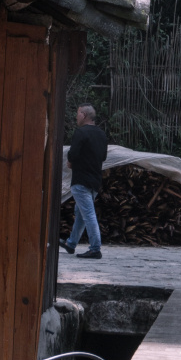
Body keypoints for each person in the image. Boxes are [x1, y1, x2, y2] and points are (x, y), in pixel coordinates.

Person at [62, 104, 108, 259]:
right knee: (81, 213)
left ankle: (95, 249)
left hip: (80, 180)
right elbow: (103, 157)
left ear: (84, 115)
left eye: (77, 113)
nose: (76, 117)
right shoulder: (102, 134)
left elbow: (73, 154)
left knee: (88, 214)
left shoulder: (80, 133)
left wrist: (71, 163)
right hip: (95, 180)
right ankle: (71, 244)